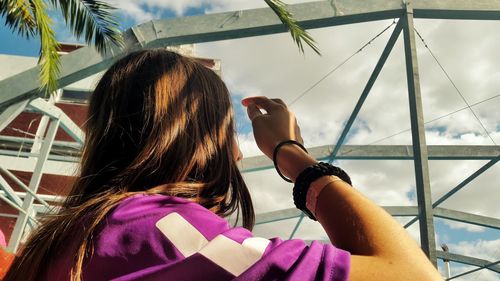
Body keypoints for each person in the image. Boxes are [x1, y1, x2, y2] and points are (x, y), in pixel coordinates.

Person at [4, 49, 442, 281]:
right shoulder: (163, 232)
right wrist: (292, 154)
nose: (236, 151)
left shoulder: (55, 246)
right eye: (229, 132)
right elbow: (410, 276)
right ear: (201, 140)